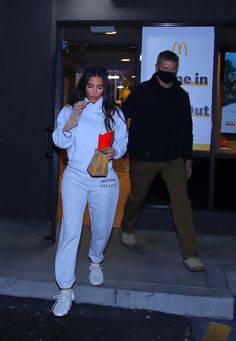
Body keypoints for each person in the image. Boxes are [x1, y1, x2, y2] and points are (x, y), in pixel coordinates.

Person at [52, 65, 128, 317]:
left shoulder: (113, 112)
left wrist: (114, 151)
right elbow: (60, 142)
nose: (94, 92)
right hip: (75, 176)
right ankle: (65, 289)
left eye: (99, 87)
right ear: (83, 86)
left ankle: (95, 260)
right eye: (90, 86)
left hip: (104, 178)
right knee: (70, 231)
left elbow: (122, 143)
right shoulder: (69, 110)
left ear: (105, 88)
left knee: (101, 228)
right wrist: (72, 119)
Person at [120, 50, 205, 273]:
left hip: (173, 158)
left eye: (172, 70)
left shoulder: (181, 95)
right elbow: (121, 117)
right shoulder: (141, 92)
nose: (168, 73)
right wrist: (123, 144)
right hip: (144, 157)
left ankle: (191, 254)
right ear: (157, 67)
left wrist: (188, 158)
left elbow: (187, 129)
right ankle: (127, 228)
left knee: (181, 203)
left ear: (177, 70)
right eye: (164, 69)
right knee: (137, 197)